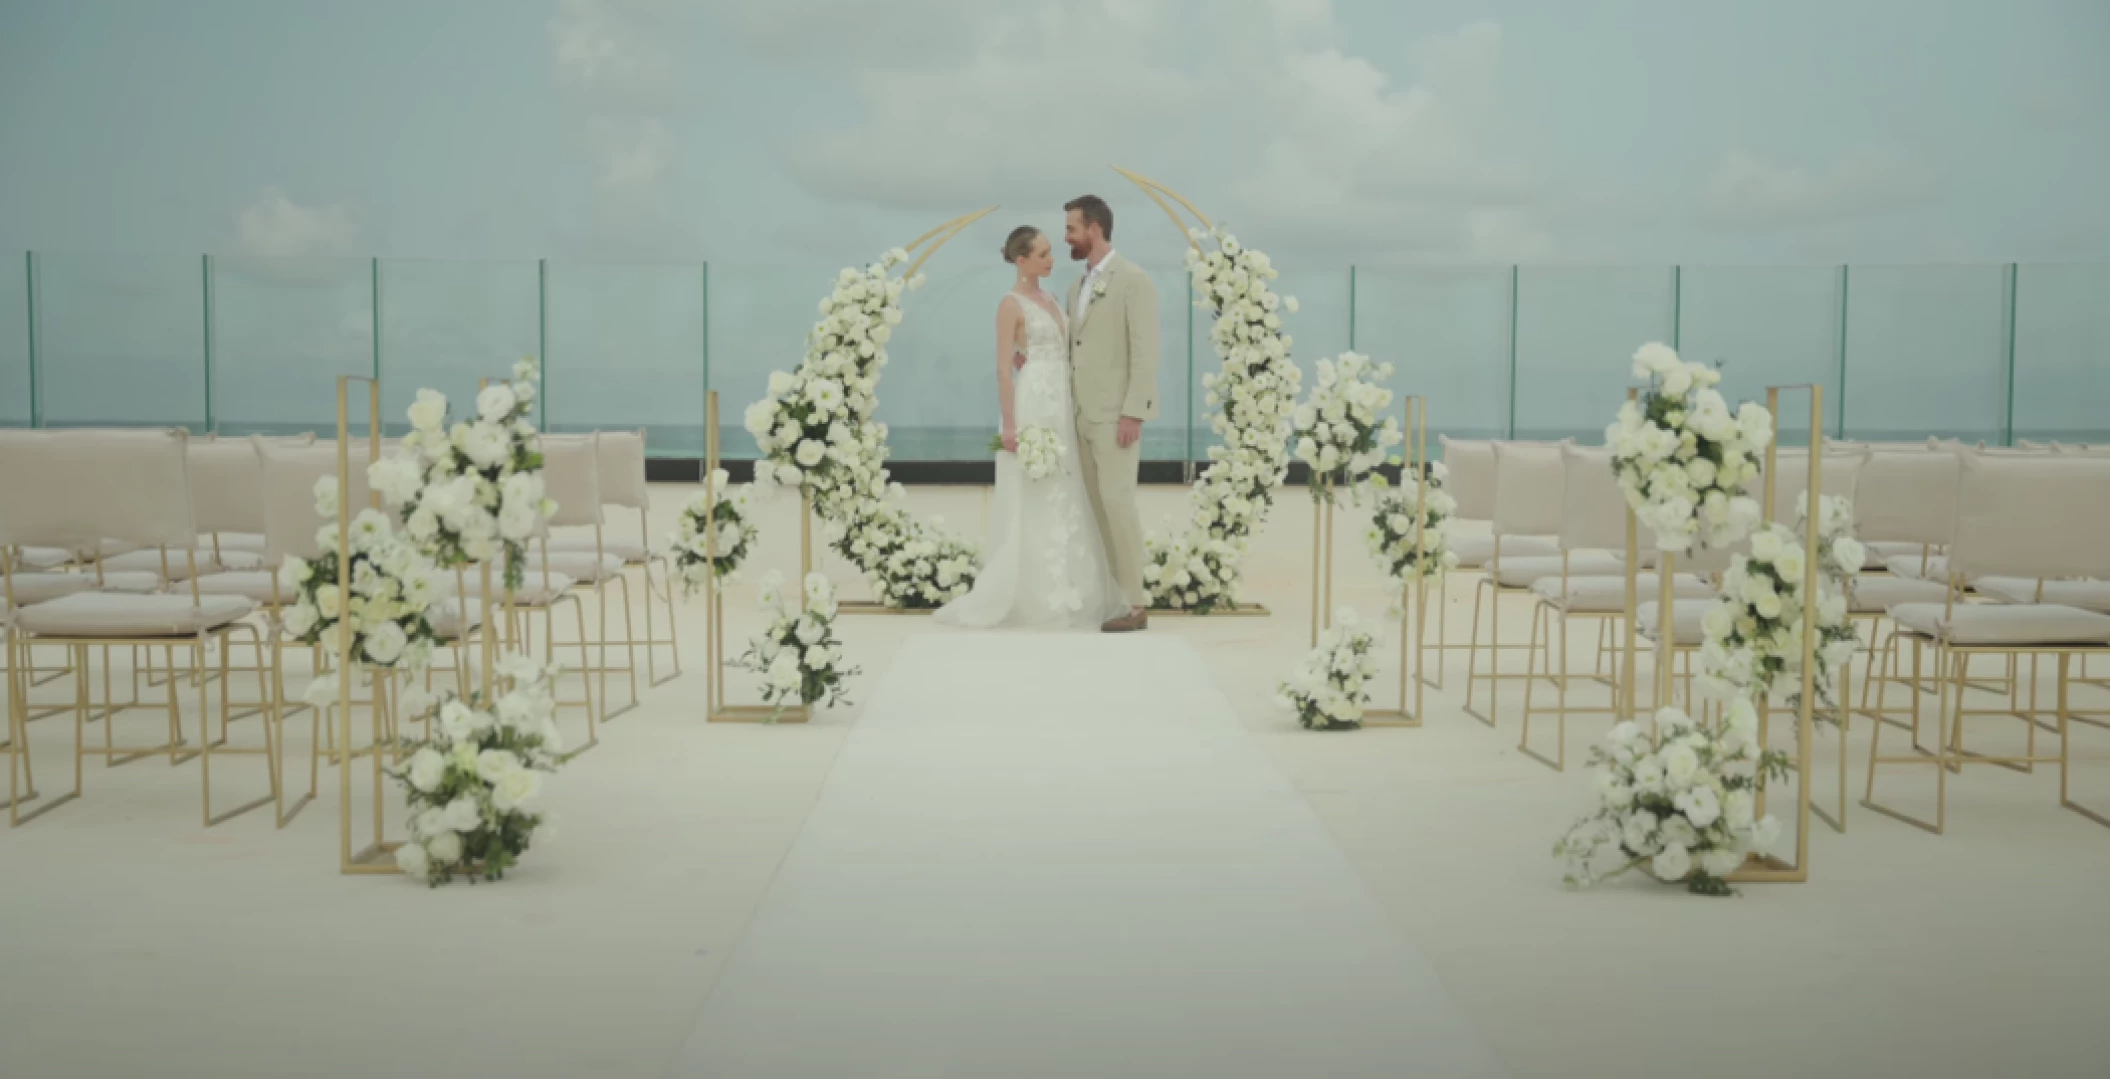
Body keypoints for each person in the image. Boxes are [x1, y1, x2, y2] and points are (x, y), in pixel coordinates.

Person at [933, 226, 1127, 631]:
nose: (1050, 260)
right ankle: (1034, 593)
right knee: (1036, 490)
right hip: (1035, 402)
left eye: (1050, 252)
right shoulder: (1010, 304)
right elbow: (1003, 368)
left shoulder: (1053, 299)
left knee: (1067, 487)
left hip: (1063, 398)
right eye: (1041, 254)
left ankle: (1077, 588)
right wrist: (1010, 425)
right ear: (1020, 260)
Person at [1062, 195, 1158, 632]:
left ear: (1094, 229)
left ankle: (1136, 604)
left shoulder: (1133, 280)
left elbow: (1145, 350)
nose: (1067, 237)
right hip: (1080, 416)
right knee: (1096, 508)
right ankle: (1112, 597)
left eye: (1071, 229)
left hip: (1115, 416)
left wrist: (1133, 412)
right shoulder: (1075, 287)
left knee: (1119, 506)